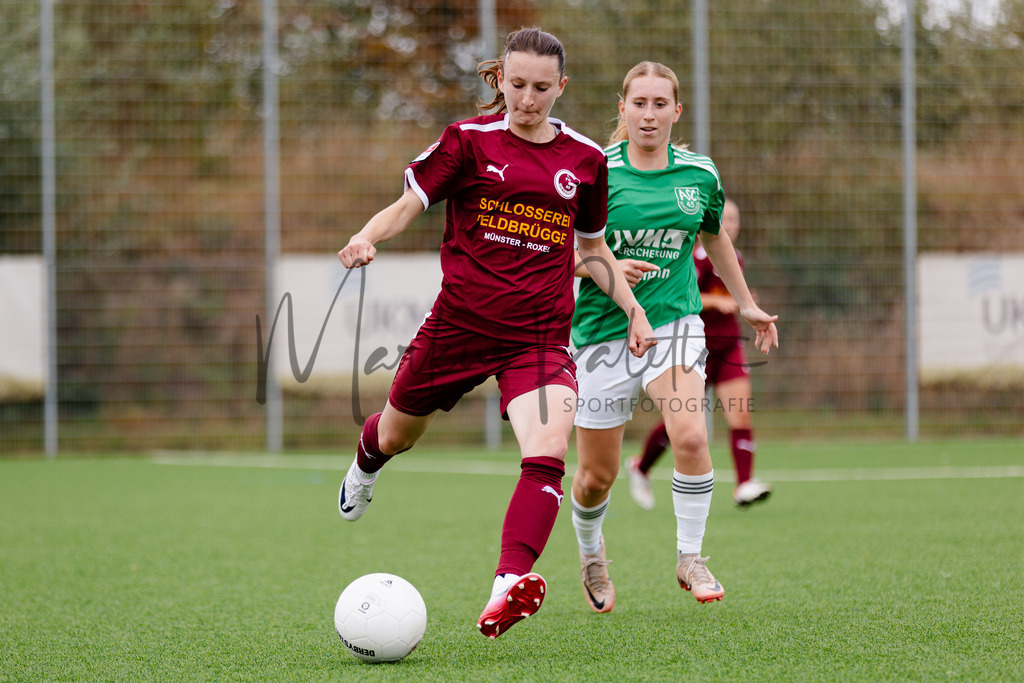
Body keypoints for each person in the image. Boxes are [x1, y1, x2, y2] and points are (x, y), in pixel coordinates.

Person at [335, 27, 656, 640]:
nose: (528, 99)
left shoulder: (585, 160)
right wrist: (366, 236)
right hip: (457, 326)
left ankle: (508, 584)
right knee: (397, 435)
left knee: (548, 452)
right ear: (499, 81)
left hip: (538, 337)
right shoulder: (467, 142)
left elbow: (591, 250)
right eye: (517, 85)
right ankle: (367, 462)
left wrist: (635, 310)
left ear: (561, 87)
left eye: (541, 88)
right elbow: (408, 203)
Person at [569, 62, 778, 613]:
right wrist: (606, 271)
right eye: (639, 103)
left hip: (674, 326)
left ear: (676, 111)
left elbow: (715, 238)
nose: (649, 114)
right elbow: (565, 257)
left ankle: (690, 556)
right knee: (596, 477)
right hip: (601, 335)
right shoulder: (595, 171)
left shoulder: (699, 175)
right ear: (622, 108)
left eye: (661, 104)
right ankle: (592, 553)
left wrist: (748, 303)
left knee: (689, 437)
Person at [626, 198, 773, 510]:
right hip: (695, 347)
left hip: (729, 346)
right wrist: (716, 301)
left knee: (741, 411)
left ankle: (744, 484)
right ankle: (640, 467)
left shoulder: (736, 257)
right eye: (725, 219)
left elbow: (730, 295)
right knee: (682, 421)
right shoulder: (696, 257)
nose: (730, 224)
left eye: (735, 219)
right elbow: (686, 294)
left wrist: (742, 301)